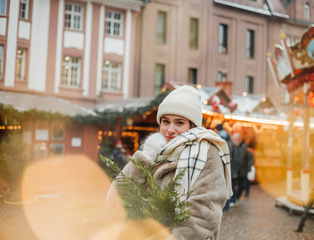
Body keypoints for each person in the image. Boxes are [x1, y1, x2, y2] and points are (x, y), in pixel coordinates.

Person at [106, 85, 232, 240]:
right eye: (166, 121)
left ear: (192, 125)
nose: (170, 129)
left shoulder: (206, 153)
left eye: (179, 123)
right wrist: (145, 157)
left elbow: (203, 216)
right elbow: (116, 194)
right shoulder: (157, 151)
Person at [228, 133, 251, 206]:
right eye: (235, 139)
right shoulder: (229, 146)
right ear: (233, 139)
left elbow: (249, 158)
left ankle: (237, 197)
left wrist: (248, 168)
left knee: (242, 185)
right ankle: (233, 200)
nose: (236, 141)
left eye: (237, 139)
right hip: (232, 169)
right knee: (232, 186)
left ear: (239, 140)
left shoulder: (244, 147)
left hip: (242, 170)